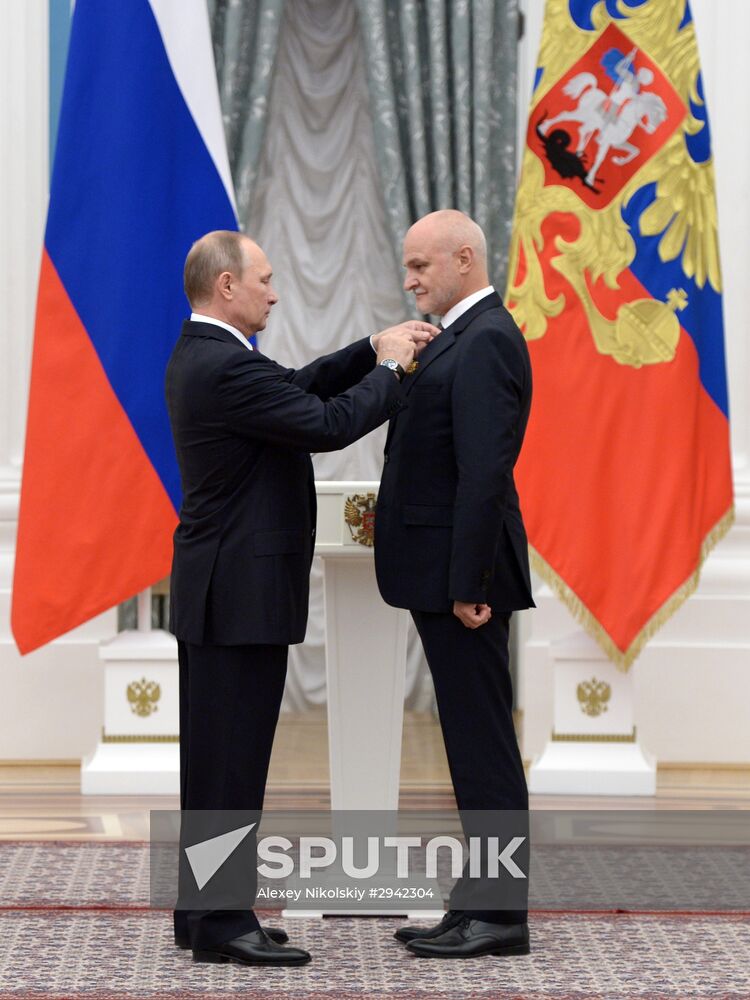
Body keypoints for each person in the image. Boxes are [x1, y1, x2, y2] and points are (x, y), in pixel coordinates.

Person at [166, 229, 436, 967]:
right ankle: (222, 923)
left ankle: (204, 911)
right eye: (265, 280)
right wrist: (391, 370)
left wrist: (368, 345)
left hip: (225, 590)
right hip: (235, 594)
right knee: (230, 762)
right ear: (227, 287)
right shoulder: (222, 366)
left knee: (218, 759)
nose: (275, 293)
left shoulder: (218, 357)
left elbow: (301, 383)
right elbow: (327, 423)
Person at [374, 210, 535, 959]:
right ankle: (475, 901)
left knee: (484, 747)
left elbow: (484, 472)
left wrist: (471, 580)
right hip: (444, 574)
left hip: (465, 581)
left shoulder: (490, 339)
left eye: (420, 267)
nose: (409, 281)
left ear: (464, 258)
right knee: (468, 744)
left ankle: (499, 917)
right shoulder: (460, 339)